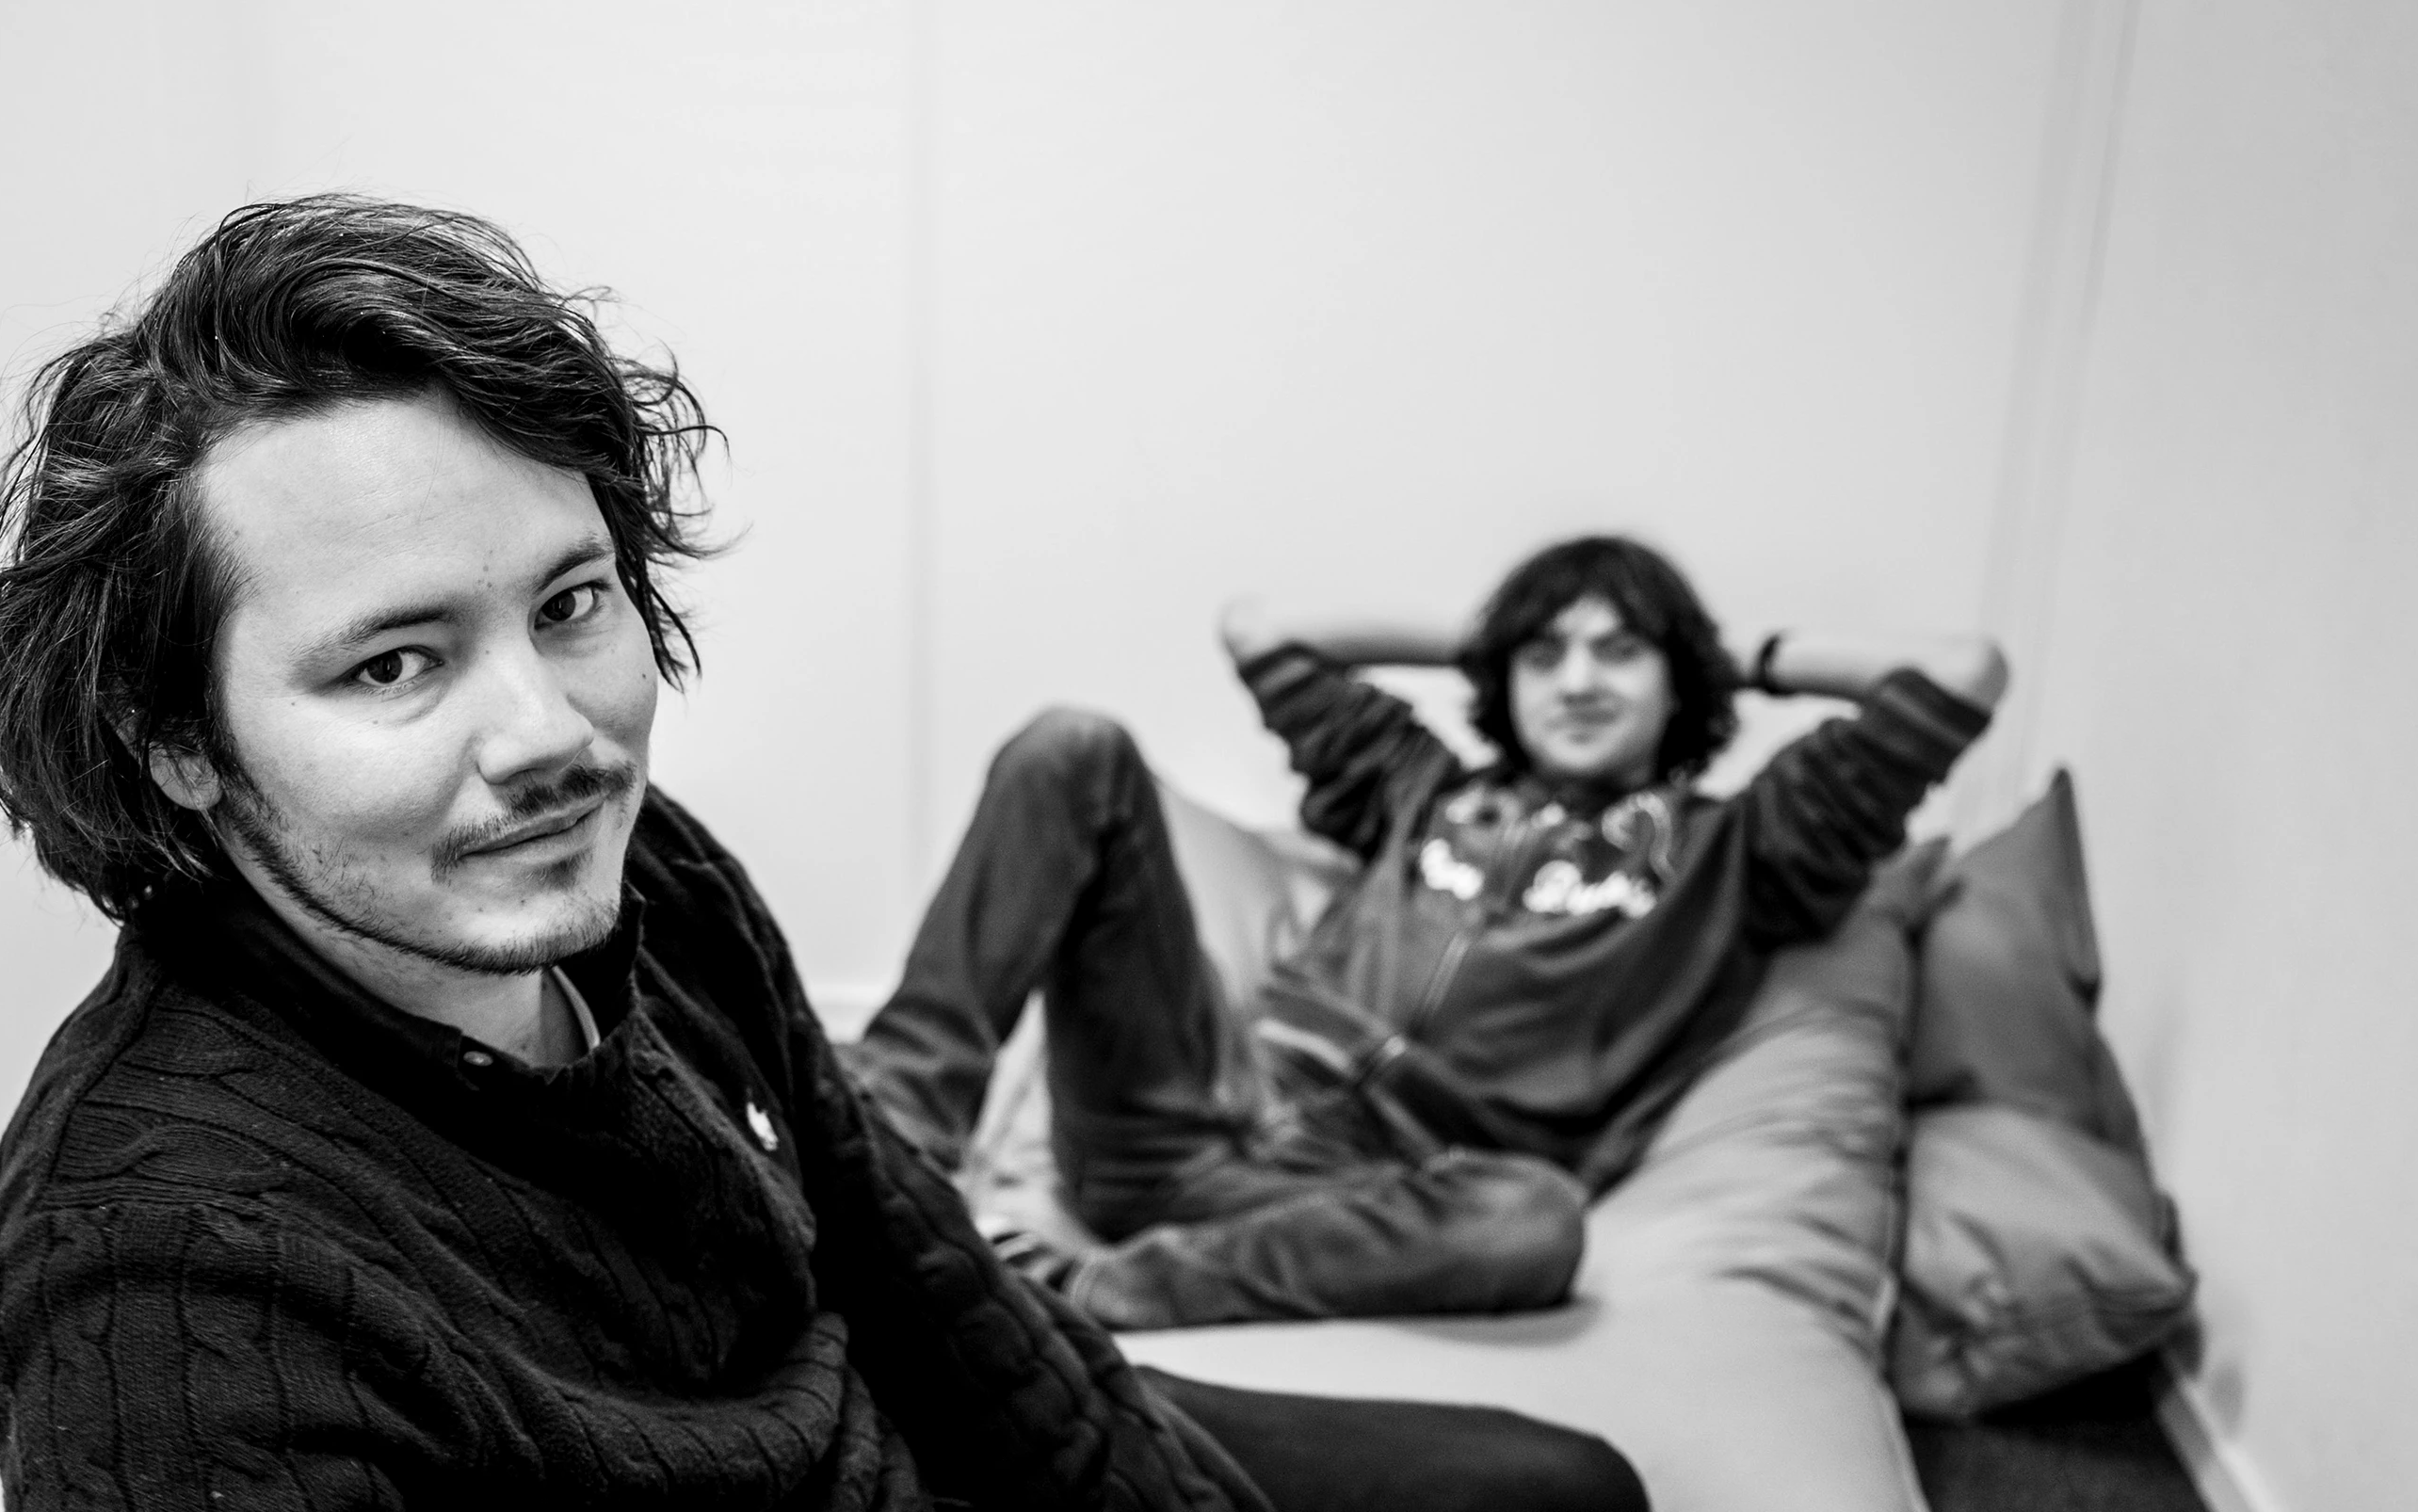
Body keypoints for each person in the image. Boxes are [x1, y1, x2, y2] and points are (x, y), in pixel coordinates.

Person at [0, 194, 1946, 1512]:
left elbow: (936, 1284)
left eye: (571, 603)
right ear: (179, 745)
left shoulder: (633, 888)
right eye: (394, 663)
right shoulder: (174, 1263)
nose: (549, 736)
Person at [848, 539, 2007, 1327]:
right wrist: (1509, 633)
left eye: (1620, 650)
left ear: (1680, 680)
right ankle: (878, 1152)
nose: (1578, 680)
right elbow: (1260, 628)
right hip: (1188, 1101)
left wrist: (1725, 651)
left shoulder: (1742, 848)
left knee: (1533, 1224)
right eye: (1545, 655)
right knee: (1074, 746)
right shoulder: (1418, 786)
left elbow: (1965, 672)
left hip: (1354, 1197)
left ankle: (1079, 1293)